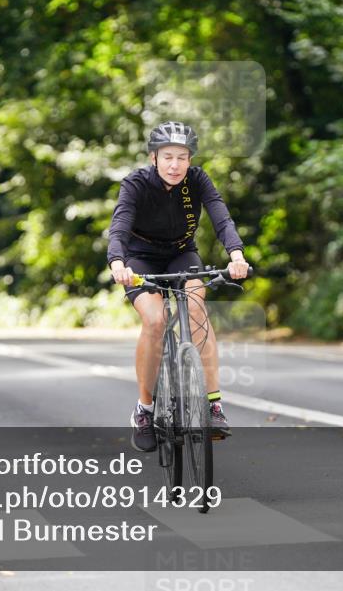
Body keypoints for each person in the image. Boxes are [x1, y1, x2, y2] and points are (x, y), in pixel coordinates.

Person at [108, 121, 250, 452]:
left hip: (180, 255)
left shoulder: (197, 181)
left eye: (182, 157)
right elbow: (118, 227)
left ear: (190, 160)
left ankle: (214, 406)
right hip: (139, 260)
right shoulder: (136, 184)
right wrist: (118, 264)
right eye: (168, 157)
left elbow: (221, 218)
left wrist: (237, 255)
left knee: (198, 312)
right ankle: (144, 410)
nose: (175, 165)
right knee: (155, 321)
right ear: (154, 157)